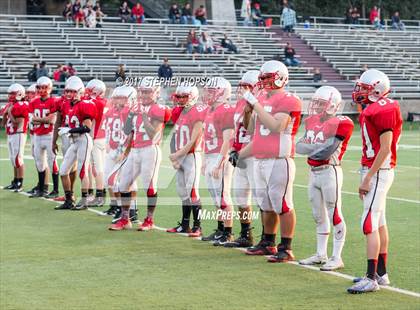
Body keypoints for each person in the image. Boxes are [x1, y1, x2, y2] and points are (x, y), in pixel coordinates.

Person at [238, 60, 301, 263]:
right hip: (260, 158)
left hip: (279, 159)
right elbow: (251, 131)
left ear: (280, 78)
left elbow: (276, 126)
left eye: (268, 77)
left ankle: (286, 247)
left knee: (282, 204)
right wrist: (248, 111)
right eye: (262, 78)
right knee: (265, 204)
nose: (264, 81)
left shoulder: (289, 99)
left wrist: (255, 105)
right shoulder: (261, 97)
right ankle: (268, 242)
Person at [347, 69, 402, 294]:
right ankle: (381, 273)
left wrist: (368, 177)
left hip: (378, 171)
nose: (359, 91)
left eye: (364, 88)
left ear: (377, 89)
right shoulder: (374, 107)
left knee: (368, 221)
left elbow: (386, 148)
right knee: (379, 222)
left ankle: (371, 278)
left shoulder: (383, 108)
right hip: (377, 170)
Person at [296, 86, 354, 271]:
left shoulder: (342, 122)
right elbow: (300, 146)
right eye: (316, 103)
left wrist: (312, 146)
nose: (317, 106)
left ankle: (337, 257)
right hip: (313, 172)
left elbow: (326, 150)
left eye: (321, 103)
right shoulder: (312, 121)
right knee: (318, 215)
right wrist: (313, 146)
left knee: (334, 212)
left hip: (330, 171)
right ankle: (321, 254)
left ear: (333, 106)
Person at [109, 80, 171, 231]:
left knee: (149, 186)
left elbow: (152, 134)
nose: (144, 94)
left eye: (147, 91)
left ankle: (149, 220)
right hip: (135, 150)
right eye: (142, 91)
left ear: (156, 92)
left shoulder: (159, 109)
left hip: (150, 150)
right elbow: (127, 130)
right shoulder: (136, 107)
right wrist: (131, 114)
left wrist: (143, 116)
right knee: (123, 184)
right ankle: (125, 219)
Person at [224, 70, 260, 248]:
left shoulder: (262, 104)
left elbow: (257, 133)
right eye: (243, 86)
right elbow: (235, 130)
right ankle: (247, 235)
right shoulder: (240, 104)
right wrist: (232, 149)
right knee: (241, 197)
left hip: (254, 155)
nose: (244, 90)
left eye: (248, 86)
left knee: (262, 198)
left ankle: (268, 238)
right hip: (240, 156)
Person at [200, 77, 235, 245]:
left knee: (223, 196)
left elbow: (228, 139)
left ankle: (228, 233)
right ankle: (220, 229)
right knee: (215, 197)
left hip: (221, 157)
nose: (207, 93)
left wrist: (220, 161)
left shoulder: (226, 110)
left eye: (211, 91)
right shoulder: (210, 110)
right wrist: (205, 160)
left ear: (222, 93)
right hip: (211, 156)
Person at [167, 85, 205, 236]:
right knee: (182, 191)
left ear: (193, 97)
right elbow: (175, 136)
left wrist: (177, 155)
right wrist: (175, 156)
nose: (181, 100)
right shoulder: (178, 112)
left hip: (192, 155)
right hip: (181, 156)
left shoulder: (197, 112)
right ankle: (184, 224)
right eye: (180, 96)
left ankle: (198, 226)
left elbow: (194, 141)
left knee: (192, 191)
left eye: (184, 97)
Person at [55, 76, 97, 210]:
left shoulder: (85, 104)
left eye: (72, 91)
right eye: (67, 91)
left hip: (83, 140)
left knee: (82, 171)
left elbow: (87, 127)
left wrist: (70, 129)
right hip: (74, 141)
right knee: (63, 171)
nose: (68, 94)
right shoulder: (66, 104)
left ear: (80, 91)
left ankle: (84, 200)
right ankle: (69, 200)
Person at [28, 77, 59, 198]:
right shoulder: (33, 102)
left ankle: (55, 190)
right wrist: (43, 120)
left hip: (49, 135)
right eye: (39, 87)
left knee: (52, 162)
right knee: (39, 163)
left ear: (50, 88)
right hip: (37, 135)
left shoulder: (53, 101)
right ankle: (42, 189)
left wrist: (38, 120)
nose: (41, 90)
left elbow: (52, 121)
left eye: (44, 87)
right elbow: (31, 121)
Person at [1, 84, 28, 192]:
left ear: (20, 93)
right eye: (10, 93)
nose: (10, 96)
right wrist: (5, 115)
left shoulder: (22, 105)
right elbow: (3, 124)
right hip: (11, 134)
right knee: (13, 159)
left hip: (19, 133)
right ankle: (15, 180)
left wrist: (10, 113)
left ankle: (20, 182)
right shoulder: (10, 105)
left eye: (13, 93)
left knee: (18, 158)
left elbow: (18, 123)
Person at [85, 79, 107, 207]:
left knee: (98, 168)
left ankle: (100, 196)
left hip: (96, 137)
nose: (88, 93)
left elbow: (90, 121)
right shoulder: (107, 102)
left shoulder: (94, 103)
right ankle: (100, 193)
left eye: (90, 91)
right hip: (105, 138)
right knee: (100, 168)